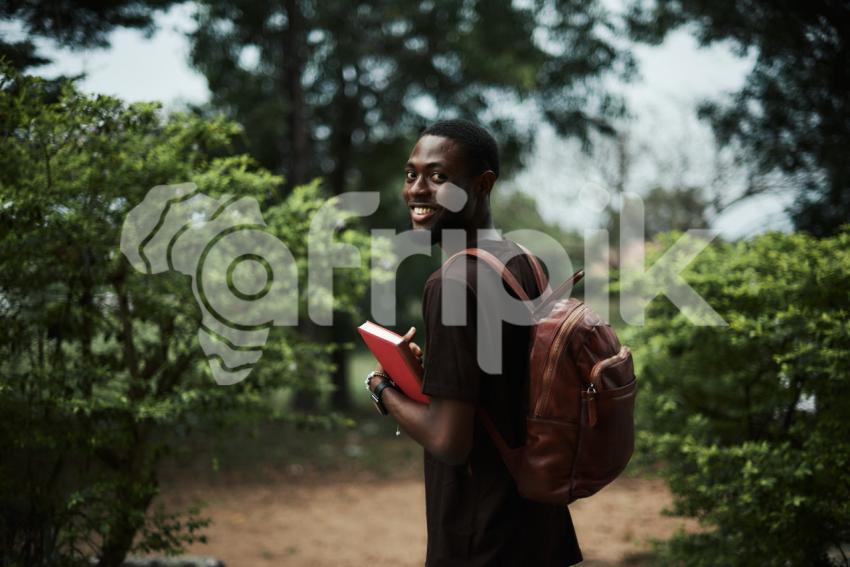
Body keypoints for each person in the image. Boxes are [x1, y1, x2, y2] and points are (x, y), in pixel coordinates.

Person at [365, 119, 583, 566]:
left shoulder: (452, 283)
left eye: (438, 176)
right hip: (538, 525)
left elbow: (450, 441)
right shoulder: (523, 262)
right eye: (411, 174)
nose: (418, 189)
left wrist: (382, 389)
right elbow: (504, 387)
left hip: (481, 536)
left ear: (482, 185)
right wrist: (428, 377)